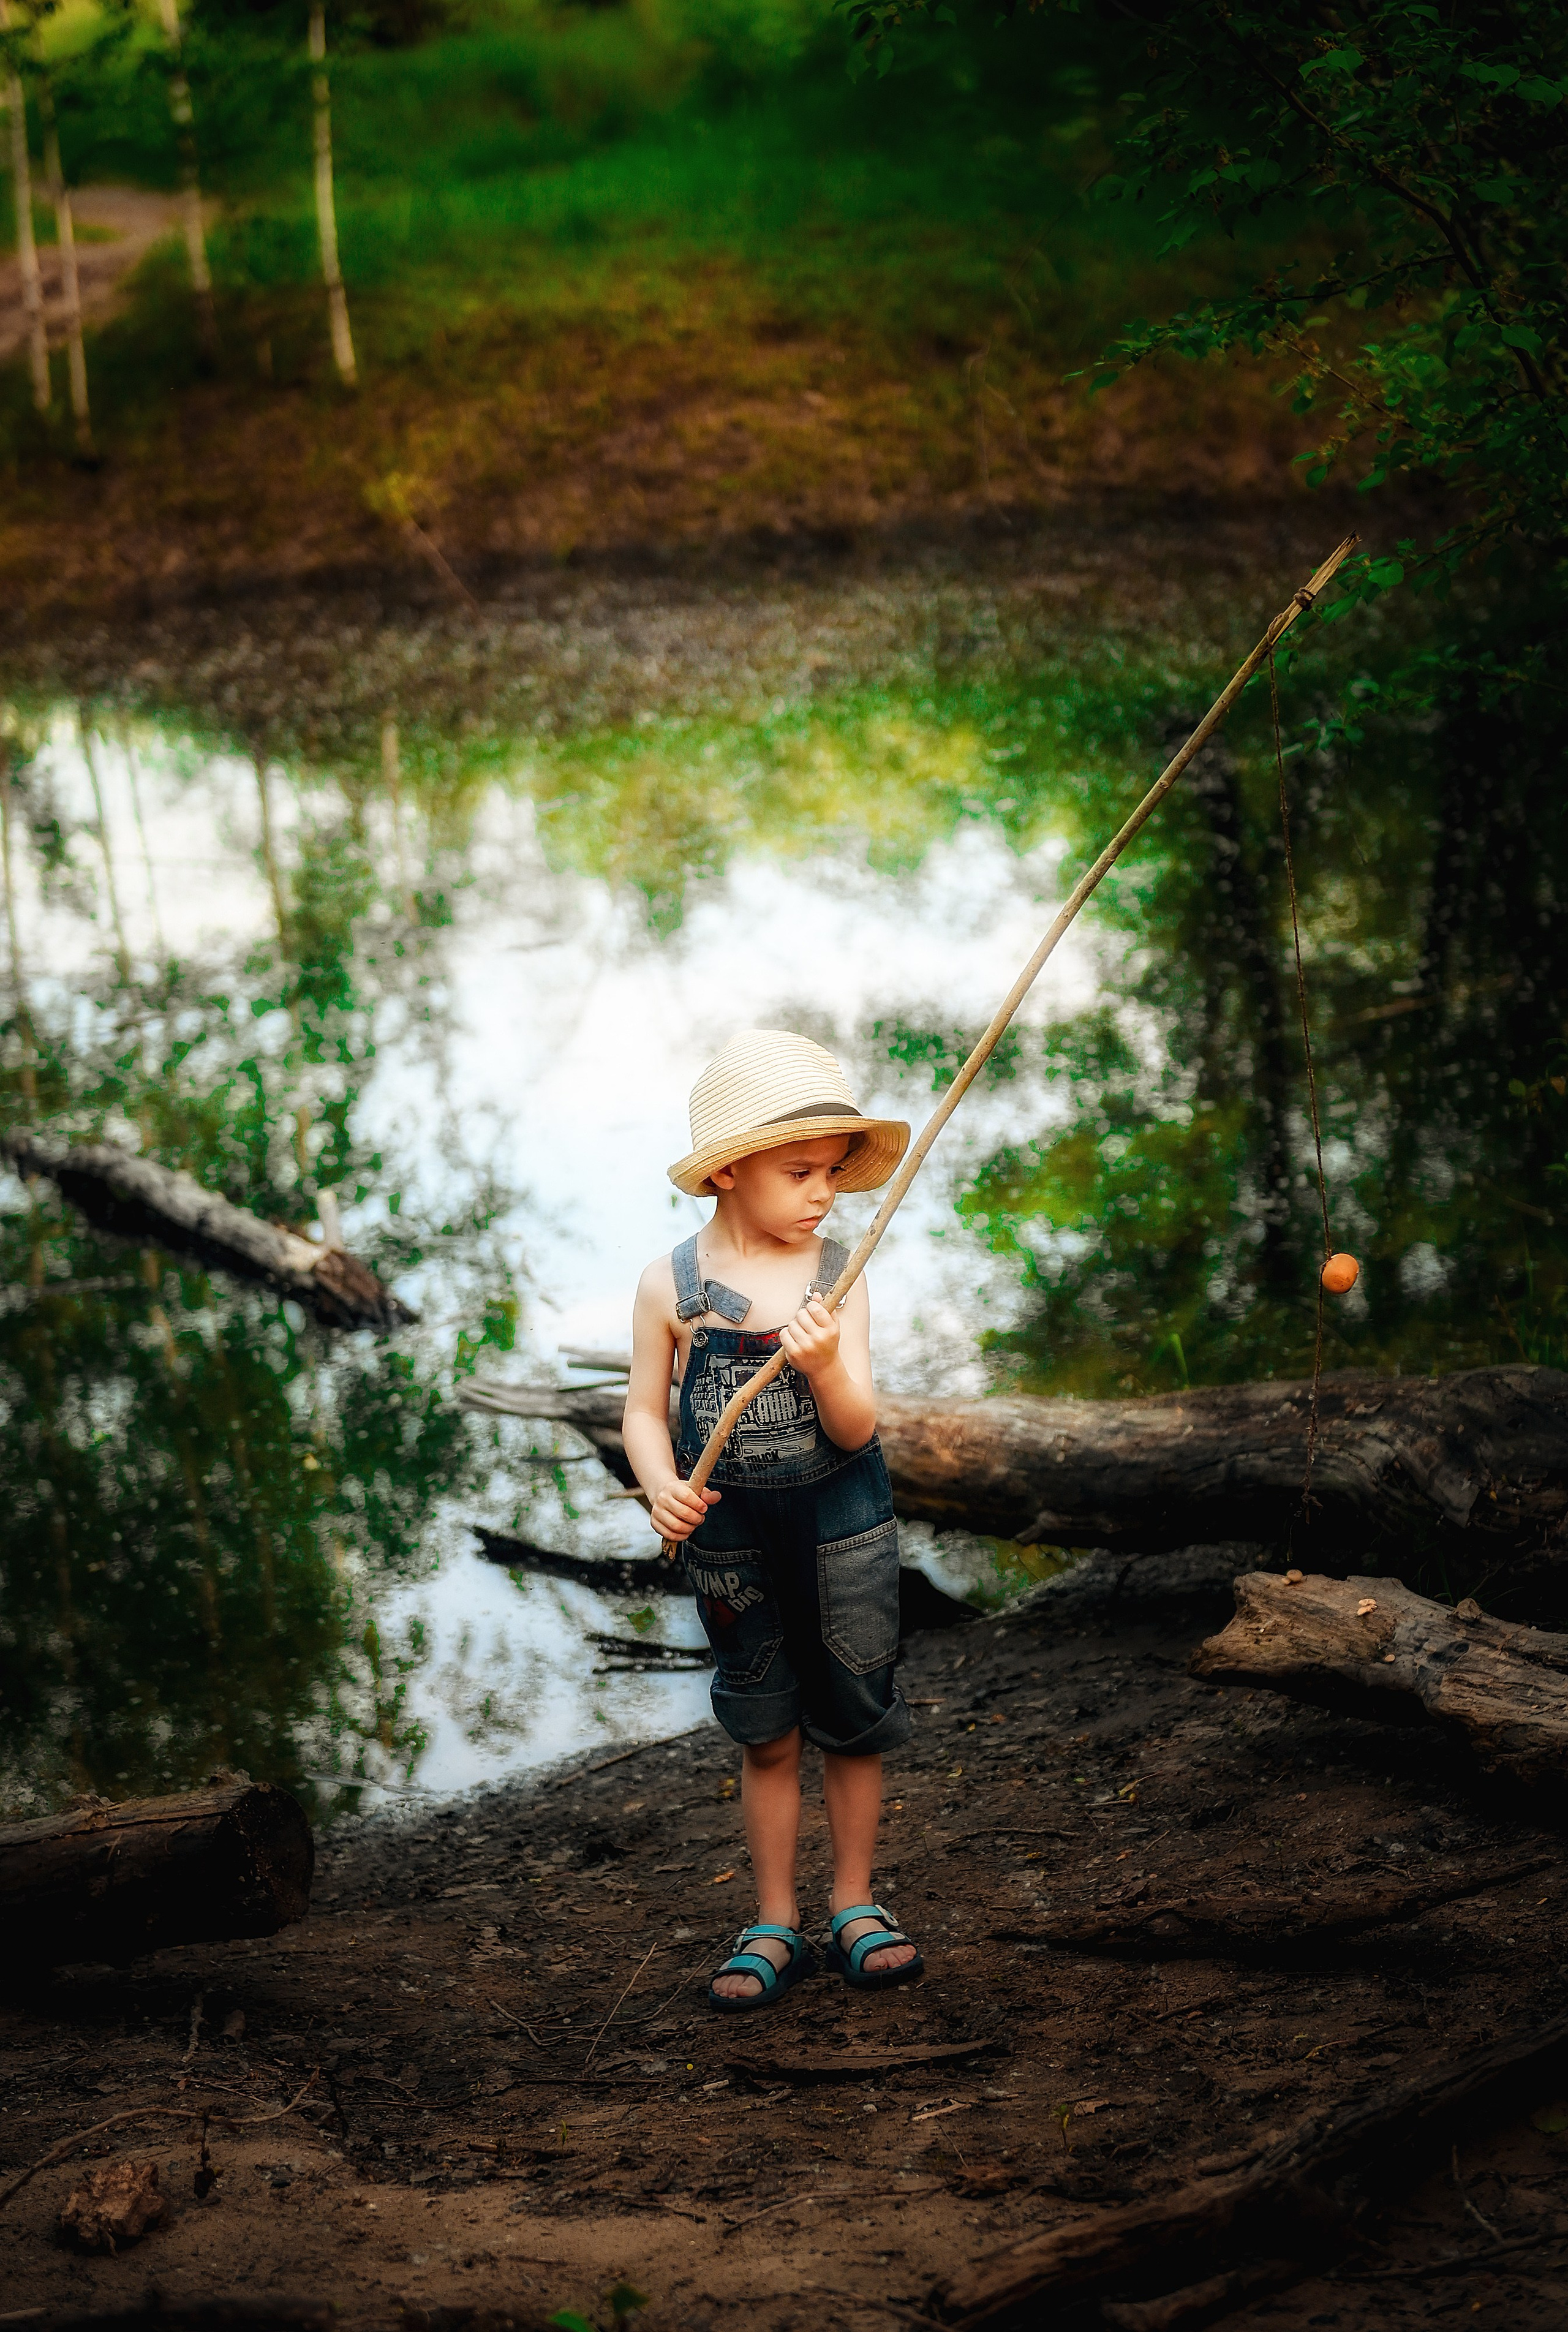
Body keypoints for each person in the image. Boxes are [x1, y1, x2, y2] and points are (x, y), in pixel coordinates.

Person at [623, 1028, 925, 2012]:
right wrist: (662, 1480)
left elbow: (857, 1424)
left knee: (852, 1715)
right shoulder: (670, 1283)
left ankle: (853, 1902)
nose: (823, 1193)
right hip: (729, 1533)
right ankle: (772, 1918)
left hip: (841, 1521)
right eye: (800, 1171)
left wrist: (828, 1363)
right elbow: (639, 1407)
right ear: (728, 1172)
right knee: (765, 1727)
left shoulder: (838, 1275)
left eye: (833, 1173)